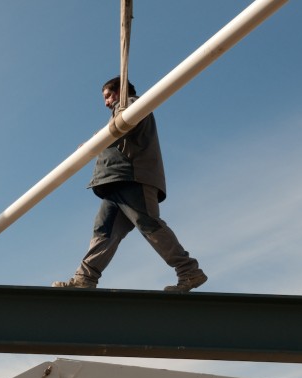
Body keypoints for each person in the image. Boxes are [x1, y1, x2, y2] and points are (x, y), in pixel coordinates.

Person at [52, 76, 207, 292]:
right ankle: (84, 278)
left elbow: (121, 128)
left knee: (149, 224)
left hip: (132, 178)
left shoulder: (131, 105)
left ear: (121, 92)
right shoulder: (123, 111)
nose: (106, 102)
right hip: (116, 182)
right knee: (104, 231)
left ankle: (188, 271)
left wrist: (93, 142)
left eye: (108, 96)